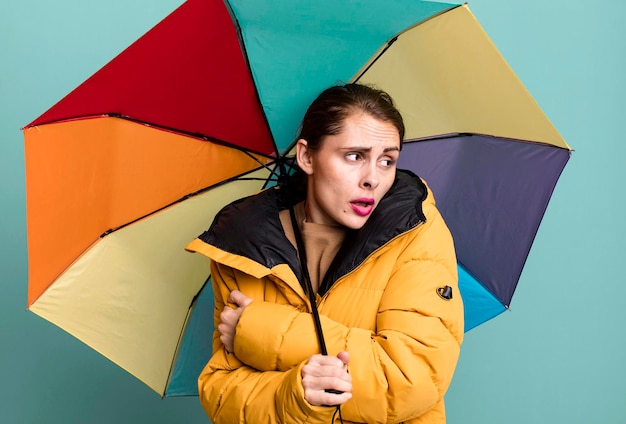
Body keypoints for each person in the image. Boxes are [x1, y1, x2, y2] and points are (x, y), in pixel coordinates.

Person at [185, 83, 464, 423]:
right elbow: (222, 392)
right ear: (306, 156)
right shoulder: (243, 243)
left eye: (387, 160)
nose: (372, 179)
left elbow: (411, 378)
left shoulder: (416, 232)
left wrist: (260, 329)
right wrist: (297, 396)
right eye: (354, 156)